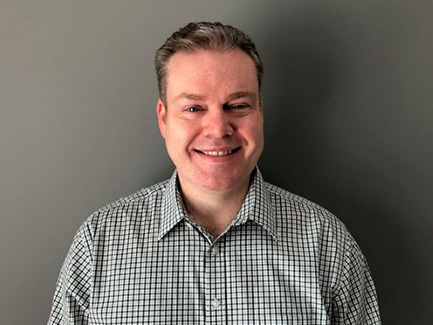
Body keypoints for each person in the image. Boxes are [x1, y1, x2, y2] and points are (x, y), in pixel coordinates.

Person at [48, 22, 381, 324]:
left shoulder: (328, 244)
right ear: (164, 119)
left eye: (237, 106)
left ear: (260, 112)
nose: (218, 129)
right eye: (193, 108)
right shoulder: (99, 242)